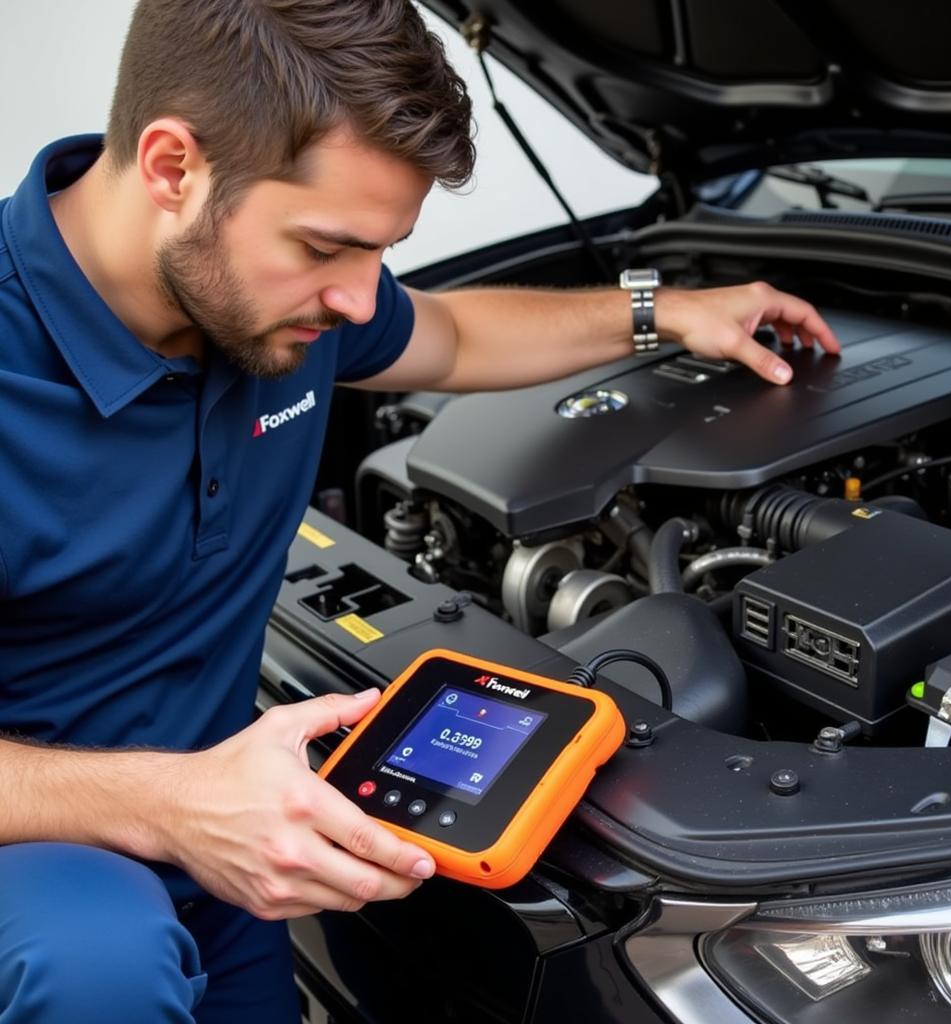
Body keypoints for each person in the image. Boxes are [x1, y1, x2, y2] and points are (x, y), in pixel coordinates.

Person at [0, 0, 841, 1020]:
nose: (358, 301)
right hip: (50, 864)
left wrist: (662, 311)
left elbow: (445, 336)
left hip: (231, 838)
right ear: (173, 168)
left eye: (381, 253)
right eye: (326, 246)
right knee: (98, 963)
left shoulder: (275, 301)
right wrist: (170, 808)